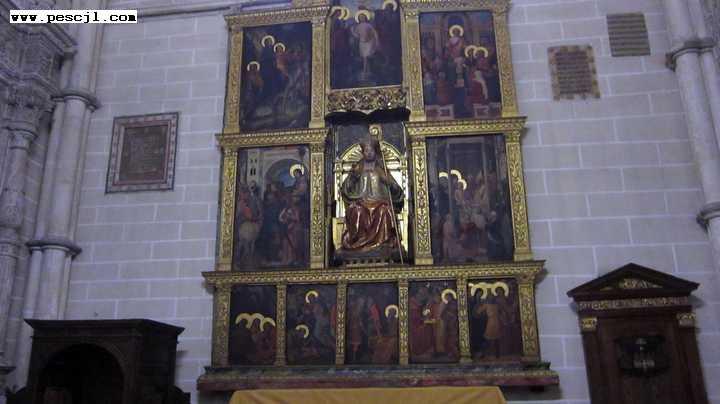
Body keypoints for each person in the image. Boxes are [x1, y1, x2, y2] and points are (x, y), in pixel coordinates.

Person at [340, 137, 404, 254]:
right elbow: (345, 190)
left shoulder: (382, 169)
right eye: (366, 150)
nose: (369, 153)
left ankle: (383, 244)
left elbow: (398, 192)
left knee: (385, 211)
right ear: (363, 152)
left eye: (371, 150)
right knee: (356, 211)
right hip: (361, 202)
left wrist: (388, 181)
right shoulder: (358, 169)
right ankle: (358, 244)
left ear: (375, 152)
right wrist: (353, 177)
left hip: (380, 203)